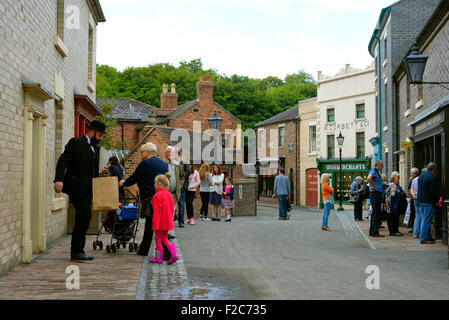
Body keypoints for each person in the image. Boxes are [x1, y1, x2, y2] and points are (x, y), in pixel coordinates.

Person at [54, 120, 106, 261]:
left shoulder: (95, 148)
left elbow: (90, 168)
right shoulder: (76, 142)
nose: (100, 138)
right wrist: (59, 179)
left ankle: (78, 250)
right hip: (76, 187)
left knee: (85, 216)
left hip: (88, 189)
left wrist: (99, 174)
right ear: (93, 131)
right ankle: (76, 251)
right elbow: (63, 160)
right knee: (83, 215)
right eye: (100, 135)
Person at [120, 142, 168, 257]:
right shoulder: (162, 164)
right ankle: (160, 251)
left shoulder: (145, 163)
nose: (141, 154)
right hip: (163, 197)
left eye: (141, 152)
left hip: (151, 199)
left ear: (147, 152)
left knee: (151, 225)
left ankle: (149, 250)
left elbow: (134, 178)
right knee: (158, 225)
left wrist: (123, 183)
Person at [150, 175, 178, 265]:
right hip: (167, 221)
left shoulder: (156, 196)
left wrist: (155, 224)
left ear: (159, 183)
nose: (154, 185)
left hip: (160, 222)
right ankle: (174, 254)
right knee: (165, 238)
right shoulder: (169, 195)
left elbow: (157, 212)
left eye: (155, 183)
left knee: (158, 239)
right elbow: (171, 208)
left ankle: (158, 258)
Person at [164, 146, 185, 237]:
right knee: (166, 211)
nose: (170, 154)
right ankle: (165, 230)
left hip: (174, 193)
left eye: (171, 152)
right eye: (168, 152)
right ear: (165, 154)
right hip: (165, 193)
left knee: (171, 211)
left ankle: (170, 231)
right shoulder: (163, 164)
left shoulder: (178, 165)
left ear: (174, 154)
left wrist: (179, 186)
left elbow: (182, 176)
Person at [417, 163, 440, 244]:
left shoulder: (421, 176)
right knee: (427, 220)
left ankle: (427, 236)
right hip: (428, 202)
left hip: (421, 201)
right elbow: (434, 191)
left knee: (424, 219)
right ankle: (424, 238)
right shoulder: (432, 177)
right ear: (433, 168)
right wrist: (436, 200)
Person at [367, 160, 385, 237]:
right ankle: (374, 232)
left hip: (377, 193)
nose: (383, 167)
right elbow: (369, 178)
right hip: (375, 193)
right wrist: (373, 186)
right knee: (375, 212)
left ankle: (373, 231)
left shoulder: (376, 171)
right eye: (382, 165)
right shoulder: (373, 170)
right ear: (378, 165)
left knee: (376, 212)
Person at [384, 172, 406, 236]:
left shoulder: (389, 184)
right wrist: (400, 193)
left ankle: (392, 231)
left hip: (389, 204)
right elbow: (393, 194)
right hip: (393, 205)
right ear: (393, 179)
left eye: (398, 179)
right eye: (397, 179)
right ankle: (394, 231)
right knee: (394, 218)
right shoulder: (393, 185)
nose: (398, 180)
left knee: (390, 218)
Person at [177, 150, 191, 228]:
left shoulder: (185, 162)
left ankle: (181, 221)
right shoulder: (174, 161)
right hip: (174, 186)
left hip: (182, 186)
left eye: (179, 153)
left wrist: (181, 175)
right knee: (173, 204)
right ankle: (173, 218)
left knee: (181, 204)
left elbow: (188, 172)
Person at [410, 168, 422, 239]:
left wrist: (414, 195)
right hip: (421, 199)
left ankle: (415, 233)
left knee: (417, 216)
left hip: (416, 199)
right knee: (423, 216)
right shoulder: (421, 179)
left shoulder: (414, 180)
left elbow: (411, 189)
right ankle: (421, 233)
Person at [407, 168, 419, 233]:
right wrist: (410, 182)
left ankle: (416, 228)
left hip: (417, 198)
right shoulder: (412, 180)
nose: (413, 175)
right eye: (412, 174)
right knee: (412, 213)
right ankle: (413, 227)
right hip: (413, 198)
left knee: (417, 213)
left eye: (415, 173)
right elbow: (409, 188)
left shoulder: (419, 179)